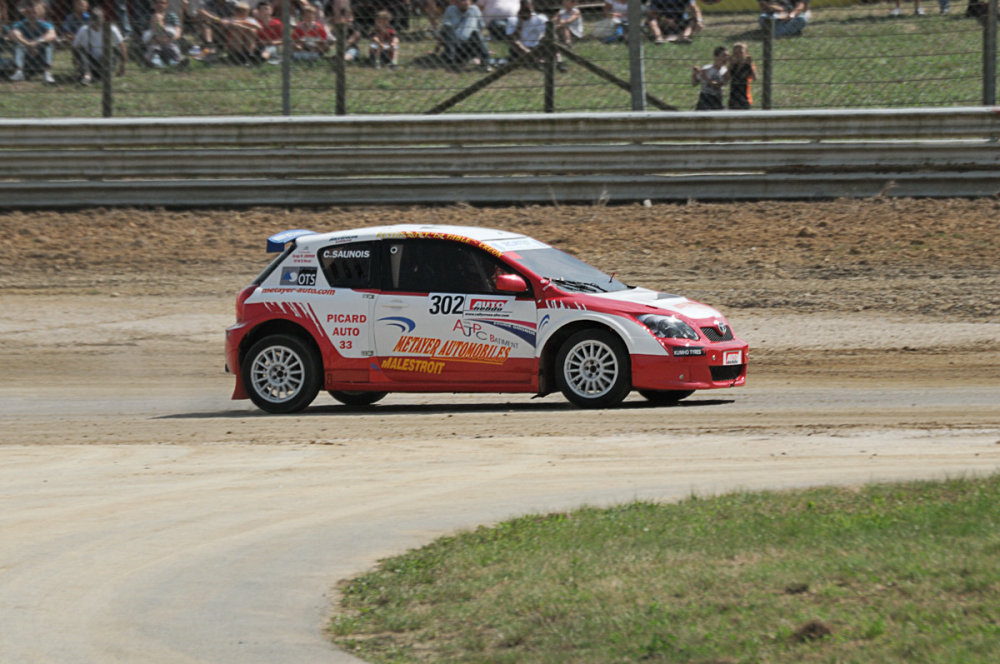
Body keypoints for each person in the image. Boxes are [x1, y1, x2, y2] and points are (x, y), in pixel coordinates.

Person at [72, 7, 126, 85]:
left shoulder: (111, 29)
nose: (96, 26)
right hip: (90, 63)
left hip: (105, 61)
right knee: (79, 50)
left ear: (103, 19)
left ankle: (104, 73)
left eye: (98, 22)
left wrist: (122, 66)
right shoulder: (84, 30)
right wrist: (75, 61)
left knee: (115, 50)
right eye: (94, 22)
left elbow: (122, 46)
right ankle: (87, 75)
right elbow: (75, 47)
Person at [9, 1, 57, 83]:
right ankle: (19, 71)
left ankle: (47, 73)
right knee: (19, 44)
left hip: (40, 57)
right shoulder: (20, 24)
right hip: (26, 58)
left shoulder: (45, 24)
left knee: (49, 44)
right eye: (29, 12)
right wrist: (28, 44)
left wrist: (36, 42)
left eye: (34, 12)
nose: (32, 14)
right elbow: (13, 34)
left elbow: (52, 35)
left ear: (40, 12)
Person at [440, 0, 491, 71]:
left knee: (476, 33)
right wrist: (437, 48)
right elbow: (445, 31)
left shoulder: (474, 9)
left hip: (470, 45)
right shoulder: (450, 10)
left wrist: (483, 47)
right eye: (462, 1)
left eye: (466, 1)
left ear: (470, 2)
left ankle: (485, 64)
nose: (464, 3)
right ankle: (450, 62)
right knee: (447, 27)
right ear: (456, 3)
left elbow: (480, 28)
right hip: (455, 46)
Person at [144, 0, 187, 67]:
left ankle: (176, 63)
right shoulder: (148, 16)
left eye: (162, 3)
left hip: (168, 41)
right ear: (153, 4)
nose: (159, 5)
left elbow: (177, 33)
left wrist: (167, 38)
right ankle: (155, 63)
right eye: (156, 2)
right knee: (155, 47)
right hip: (153, 40)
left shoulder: (172, 16)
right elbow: (144, 33)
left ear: (167, 4)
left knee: (170, 47)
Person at [691, 44, 726, 110]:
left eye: (726, 56)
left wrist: (706, 78)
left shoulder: (725, 70)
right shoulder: (707, 69)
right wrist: (695, 74)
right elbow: (694, 83)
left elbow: (718, 86)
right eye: (723, 56)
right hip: (705, 97)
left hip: (718, 98)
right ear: (715, 57)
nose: (725, 58)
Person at [725, 41, 756, 110]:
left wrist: (750, 64)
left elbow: (754, 77)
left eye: (741, 52)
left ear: (746, 53)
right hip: (733, 98)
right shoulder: (733, 66)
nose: (738, 55)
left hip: (745, 97)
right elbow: (726, 78)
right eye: (736, 53)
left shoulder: (748, 65)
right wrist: (730, 64)